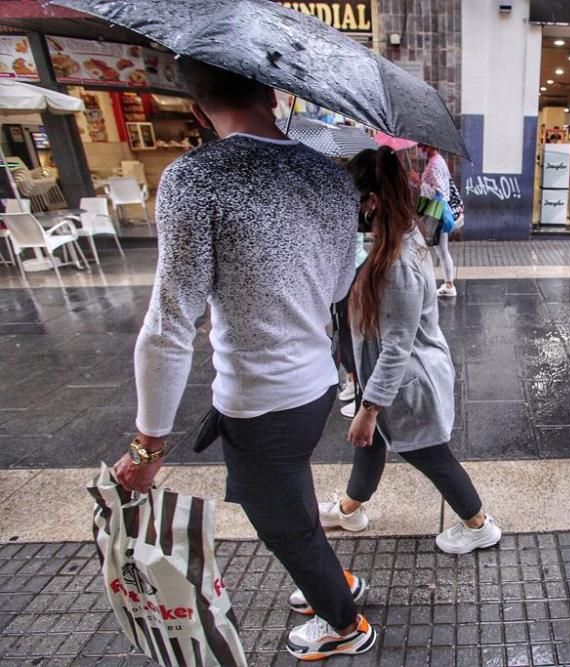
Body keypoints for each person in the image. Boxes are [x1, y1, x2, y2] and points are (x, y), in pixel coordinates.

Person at [111, 58, 376, 660]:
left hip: (259, 397)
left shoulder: (195, 179)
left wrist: (147, 447)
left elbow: (170, 323)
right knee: (292, 497)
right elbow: (338, 287)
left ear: (200, 110)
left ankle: (344, 624)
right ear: (271, 93)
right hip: (316, 385)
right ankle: (333, 582)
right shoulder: (330, 177)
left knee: (280, 519)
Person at [318, 146, 502, 554]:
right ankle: (350, 509)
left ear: (373, 201)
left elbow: (398, 346)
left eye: (353, 200)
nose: (349, 209)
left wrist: (368, 410)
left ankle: (478, 524)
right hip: (390, 378)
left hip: (409, 382)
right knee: (369, 445)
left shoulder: (397, 261)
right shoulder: (390, 238)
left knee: (430, 456)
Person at [417, 143, 458, 298]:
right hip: (439, 210)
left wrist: (418, 182)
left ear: (428, 146)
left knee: (432, 248)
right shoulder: (439, 160)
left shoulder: (433, 165)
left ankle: (447, 285)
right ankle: (449, 284)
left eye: (420, 145)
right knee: (441, 250)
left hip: (435, 211)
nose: (418, 149)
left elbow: (436, 192)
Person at [338, 232, 368, 420]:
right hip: (345, 270)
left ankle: (362, 395)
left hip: (351, 269)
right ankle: (353, 380)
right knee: (342, 330)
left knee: (351, 330)